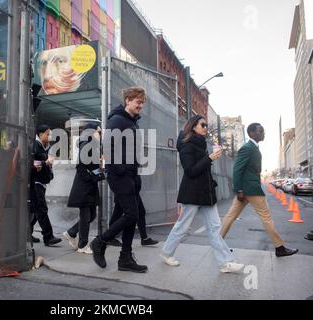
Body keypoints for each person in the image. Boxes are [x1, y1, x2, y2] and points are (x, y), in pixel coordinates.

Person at [160, 115, 244, 273]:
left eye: (206, 125)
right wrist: (209, 158)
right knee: (183, 226)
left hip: (206, 193)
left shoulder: (201, 143)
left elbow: (203, 169)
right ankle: (166, 252)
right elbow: (191, 171)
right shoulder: (187, 145)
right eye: (203, 125)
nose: (206, 127)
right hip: (192, 193)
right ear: (193, 127)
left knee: (215, 228)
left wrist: (209, 160)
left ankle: (225, 262)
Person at [90, 87, 148, 273]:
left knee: (132, 215)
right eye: (138, 101)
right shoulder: (117, 120)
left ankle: (125, 259)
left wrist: (134, 172)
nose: (141, 105)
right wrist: (121, 171)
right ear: (128, 100)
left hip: (131, 174)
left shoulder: (130, 121)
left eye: (142, 102)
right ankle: (99, 242)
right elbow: (107, 147)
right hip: (120, 175)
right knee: (132, 214)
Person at [220, 123, 298, 257]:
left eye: (263, 130)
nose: (263, 133)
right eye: (260, 131)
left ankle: (217, 244)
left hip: (246, 189)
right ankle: (280, 248)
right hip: (251, 189)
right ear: (251, 133)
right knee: (266, 218)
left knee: (230, 216)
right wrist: (238, 189)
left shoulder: (253, 147)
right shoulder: (247, 148)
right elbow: (237, 169)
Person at [63, 124, 105, 254]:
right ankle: (82, 245)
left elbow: (90, 166)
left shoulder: (93, 146)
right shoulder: (86, 145)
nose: (100, 134)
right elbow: (81, 167)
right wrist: (95, 176)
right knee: (86, 216)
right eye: (99, 131)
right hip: (84, 187)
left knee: (91, 215)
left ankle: (71, 232)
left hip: (88, 187)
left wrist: (99, 168)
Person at [30, 125, 62, 247]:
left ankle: (27, 234)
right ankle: (48, 237)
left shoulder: (43, 147)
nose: (50, 136)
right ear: (41, 134)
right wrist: (46, 162)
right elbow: (32, 162)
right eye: (48, 134)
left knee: (34, 211)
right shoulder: (35, 146)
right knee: (42, 210)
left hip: (41, 183)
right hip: (36, 183)